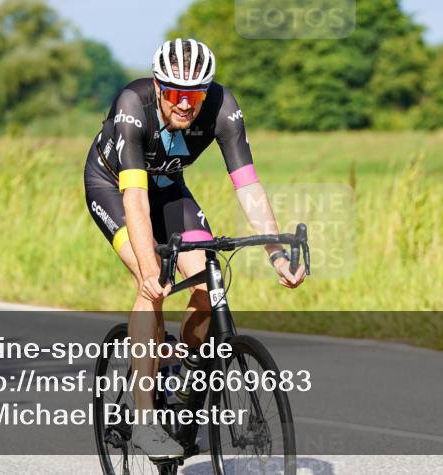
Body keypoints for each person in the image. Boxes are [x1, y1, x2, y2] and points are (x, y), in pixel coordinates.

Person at [84, 38, 306, 459]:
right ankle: (146, 420)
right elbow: (135, 199)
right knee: (150, 281)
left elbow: (249, 185)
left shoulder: (223, 107)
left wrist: (275, 253)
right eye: (176, 93)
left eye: (196, 93)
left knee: (206, 283)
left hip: (168, 190)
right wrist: (150, 268)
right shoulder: (133, 104)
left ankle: (186, 376)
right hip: (114, 187)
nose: (187, 104)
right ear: (158, 85)